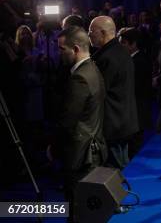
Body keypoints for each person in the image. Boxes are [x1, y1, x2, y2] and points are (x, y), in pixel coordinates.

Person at [50, 26, 106, 218]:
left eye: (61, 48)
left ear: (75, 49)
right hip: (92, 150)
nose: (58, 53)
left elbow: (68, 121)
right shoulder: (93, 69)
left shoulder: (80, 78)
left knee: (77, 211)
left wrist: (53, 148)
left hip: (80, 156)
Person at [89, 16, 138, 169]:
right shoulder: (121, 52)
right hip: (123, 121)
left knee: (116, 171)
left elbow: (98, 93)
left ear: (102, 32)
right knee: (120, 166)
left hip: (113, 124)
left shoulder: (107, 58)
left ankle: (126, 193)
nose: (88, 34)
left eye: (91, 30)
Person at [119, 28, 153, 157]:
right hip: (134, 111)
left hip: (137, 110)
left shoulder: (139, 61)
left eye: (123, 43)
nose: (121, 46)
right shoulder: (133, 60)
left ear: (133, 44)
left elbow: (136, 88)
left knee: (134, 146)